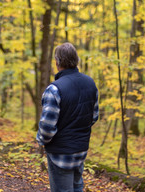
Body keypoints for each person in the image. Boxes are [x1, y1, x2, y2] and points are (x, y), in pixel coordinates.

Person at [36, 42, 99, 192]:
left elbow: (46, 128)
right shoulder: (90, 83)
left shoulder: (54, 89)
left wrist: (42, 141)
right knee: (77, 187)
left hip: (60, 153)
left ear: (57, 62)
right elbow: (94, 117)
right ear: (76, 60)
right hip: (81, 149)